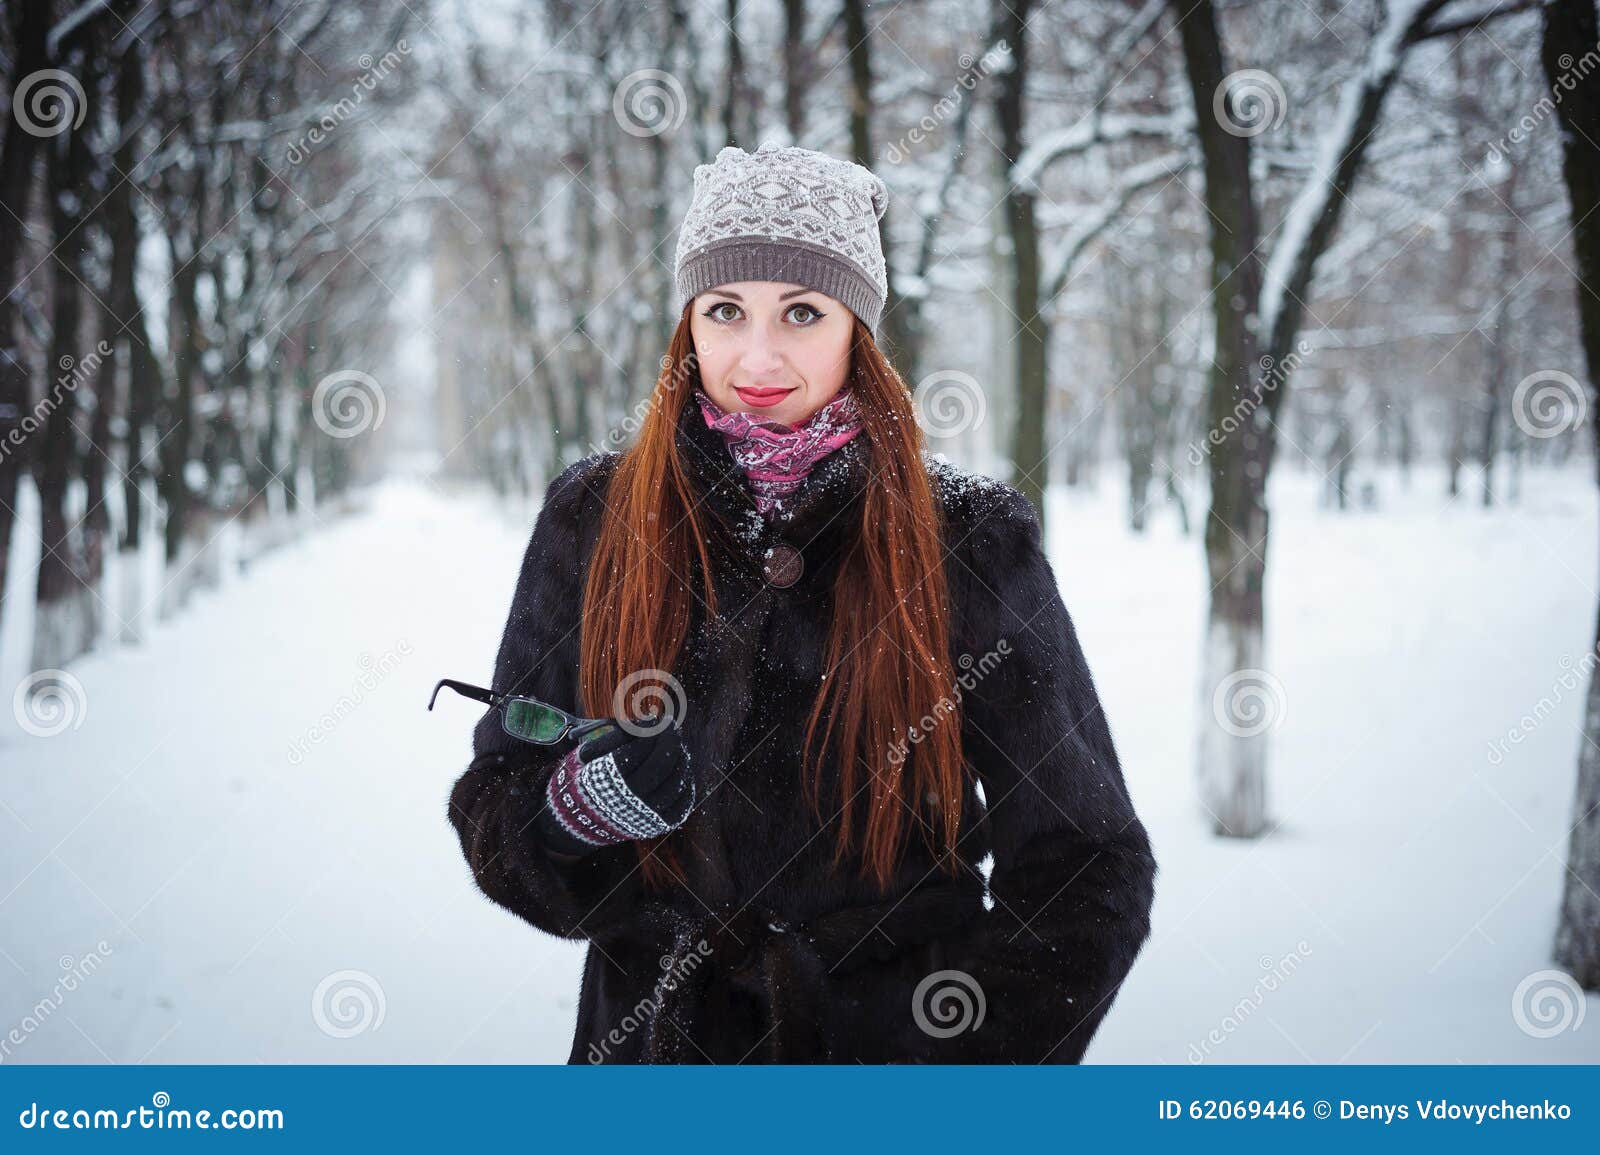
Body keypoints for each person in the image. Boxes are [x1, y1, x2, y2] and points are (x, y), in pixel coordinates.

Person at [447, 141, 1157, 1063]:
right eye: (726, 309)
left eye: (804, 311)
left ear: (857, 327)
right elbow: (497, 802)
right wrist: (575, 809)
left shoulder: (966, 540)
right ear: (688, 322)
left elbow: (1086, 861)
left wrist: (956, 1066)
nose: (758, 354)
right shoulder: (593, 520)